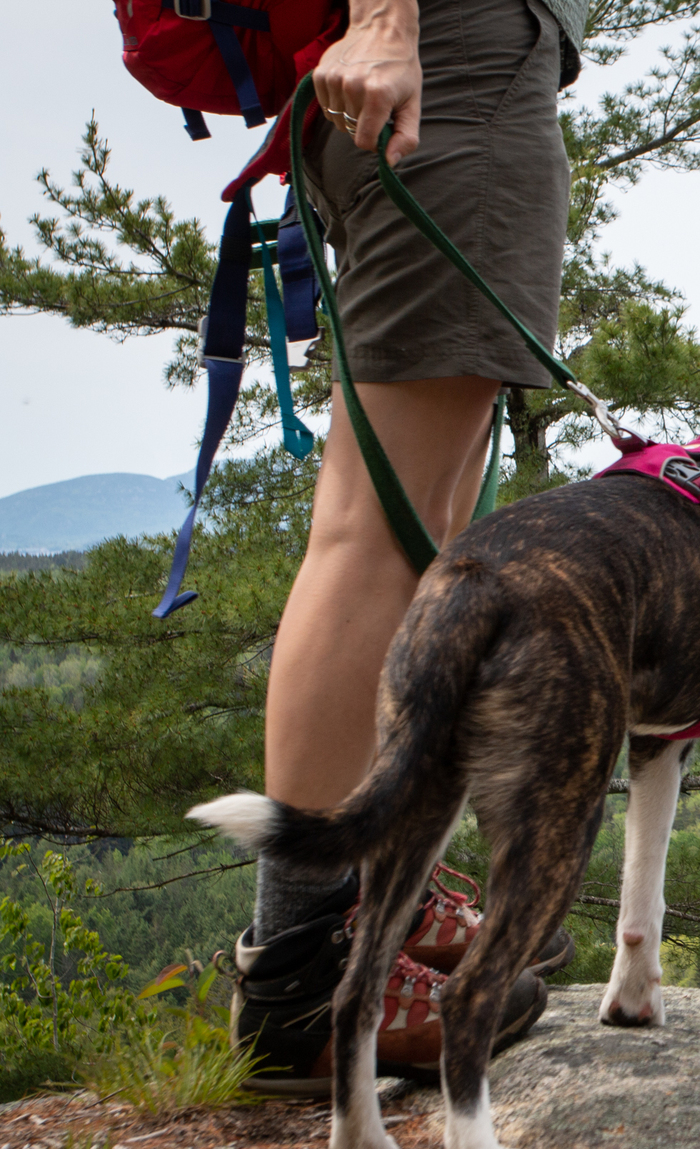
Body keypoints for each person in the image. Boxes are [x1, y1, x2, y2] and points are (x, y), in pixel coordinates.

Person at [232, 0, 588, 1091]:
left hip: (460, 75)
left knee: (416, 534)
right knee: (379, 533)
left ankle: (365, 903)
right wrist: (386, 19)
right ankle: (302, 970)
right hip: (452, 71)